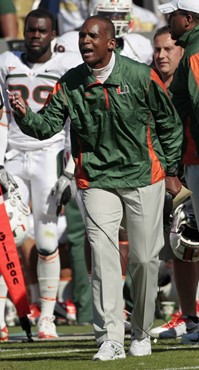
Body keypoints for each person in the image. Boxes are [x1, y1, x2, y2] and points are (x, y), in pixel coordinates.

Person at [8, 15, 182, 360]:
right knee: (103, 259)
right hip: (97, 179)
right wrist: (25, 115)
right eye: (82, 36)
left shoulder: (139, 75)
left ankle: (142, 332)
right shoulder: (70, 82)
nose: (85, 41)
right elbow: (47, 126)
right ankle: (110, 338)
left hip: (143, 175)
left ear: (111, 43)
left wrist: (167, 166)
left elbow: (169, 123)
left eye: (92, 36)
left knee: (145, 260)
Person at [0, 8, 81, 339]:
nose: (35, 35)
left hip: (49, 155)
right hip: (15, 155)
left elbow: (74, 123)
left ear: (53, 34)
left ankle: (47, 317)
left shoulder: (65, 66)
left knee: (47, 240)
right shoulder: (7, 61)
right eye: (30, 29)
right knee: (4, 236)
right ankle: (3, 316)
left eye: (41, 30)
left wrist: (71, 169)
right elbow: (1, 114)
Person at [150, 25, 199, 340]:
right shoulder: (146, 81)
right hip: (165, 172)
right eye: (157, 49)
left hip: (188, 167)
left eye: (168, 48)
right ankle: (190, 317)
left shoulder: (192, 73)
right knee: (182, 244)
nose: (161, 55)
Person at [55, 0, 154, 65]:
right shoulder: (71, 42)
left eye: (119, 15)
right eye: (107, 16)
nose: (113, 21)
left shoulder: (140, 46)